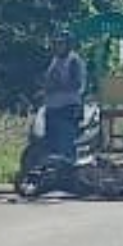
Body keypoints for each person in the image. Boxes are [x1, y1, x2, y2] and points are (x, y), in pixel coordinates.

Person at [43, 30, 87, 162]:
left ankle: (69, 172)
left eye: (61, 44)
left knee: (66, 143)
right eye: (56, 43)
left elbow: (77, 84)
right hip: (52, 107)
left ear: (68, 45)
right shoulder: (55, 60)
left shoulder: (74, 61)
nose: (57, 46)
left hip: (68, 107)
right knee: (52, 143)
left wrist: (56, 86)